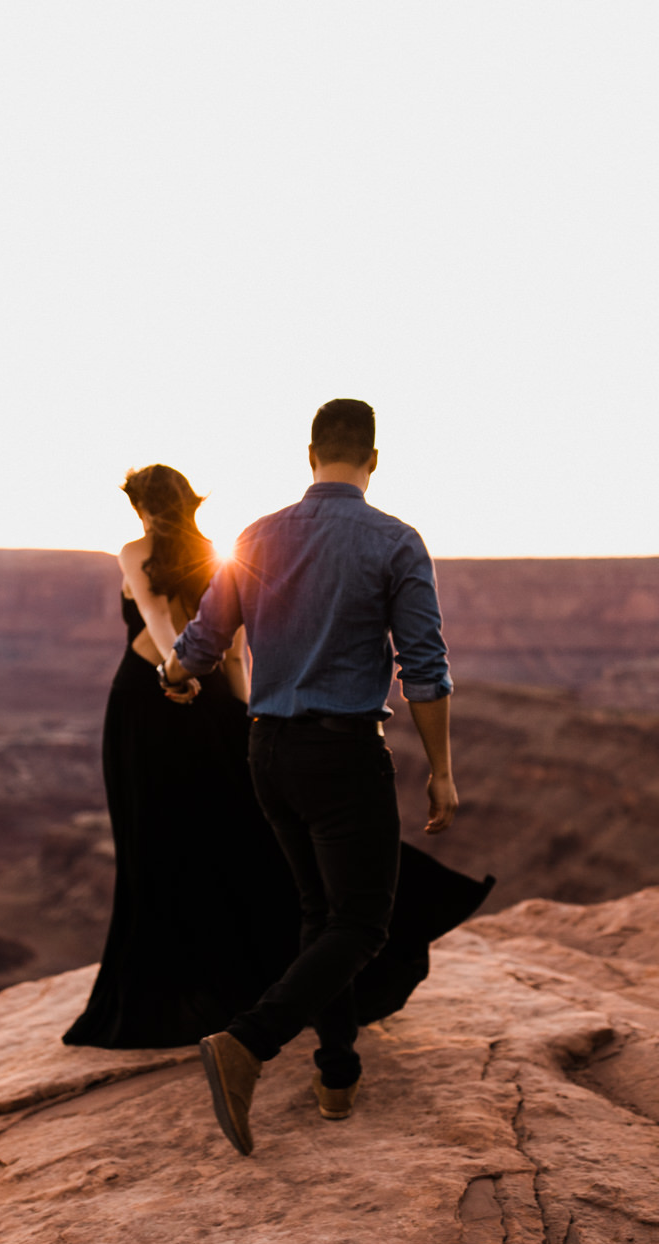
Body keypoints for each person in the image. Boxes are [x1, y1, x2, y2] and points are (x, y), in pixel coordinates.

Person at [61, 463, 487, 1057]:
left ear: (139, 507)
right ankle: (268, 991)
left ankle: (172, 997)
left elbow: (162, 625)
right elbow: (235, 656)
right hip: (213, 709)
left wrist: (172, 674)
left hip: (149, 706)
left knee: (156, 845)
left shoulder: (135, 551)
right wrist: (243, 717)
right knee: (237, 841)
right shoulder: (218, 553)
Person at [163, 398, 458, 1156]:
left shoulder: (256, 535)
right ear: (374, 459)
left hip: (268, 752)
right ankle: (248, 1044)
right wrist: (443, 774)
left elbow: (204, 637)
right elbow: (423, 668)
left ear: (309, 454)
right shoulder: (395, 541)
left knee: (319, 912)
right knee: (361, 924)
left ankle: (336, 1073)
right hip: (342, 754)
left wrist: (177, 669)